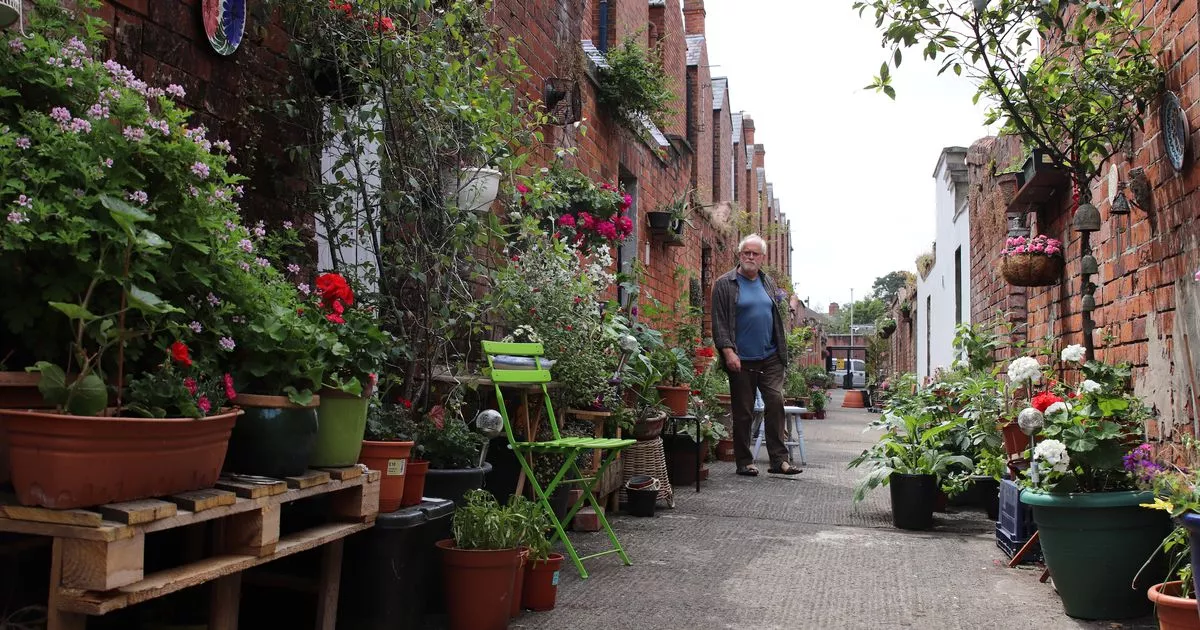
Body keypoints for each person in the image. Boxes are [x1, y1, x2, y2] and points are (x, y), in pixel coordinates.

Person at [711, 234, 802, 476]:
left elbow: (775, 315)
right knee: (744, 411)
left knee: (775, 401)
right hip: (741, 358)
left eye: (755, 253)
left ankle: (778, 460)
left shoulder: (768, 282)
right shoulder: (725, 284)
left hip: (770, 356)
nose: (750, 257)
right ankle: (744, 461)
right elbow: (719, 322)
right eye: (746, 253)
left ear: (762, 258)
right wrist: (728, 352)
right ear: (739, 255)